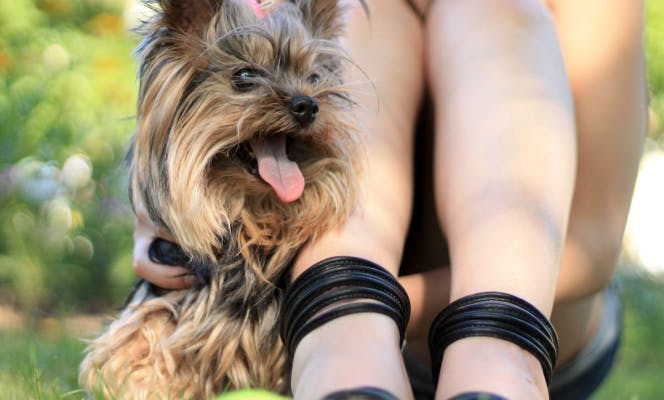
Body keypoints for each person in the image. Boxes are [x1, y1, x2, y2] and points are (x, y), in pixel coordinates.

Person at [132, 0, 647, 399]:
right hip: (328, 316)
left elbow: (592, 249)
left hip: (542, 319)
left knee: (490, 7)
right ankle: (347, 346)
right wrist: (161, 212)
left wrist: (377, 302)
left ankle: (490, 352)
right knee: (366, 14)